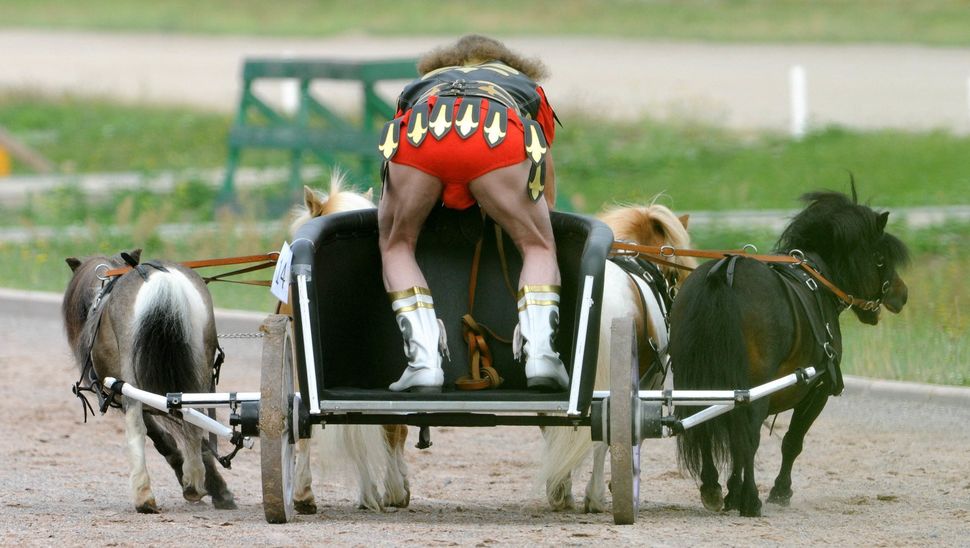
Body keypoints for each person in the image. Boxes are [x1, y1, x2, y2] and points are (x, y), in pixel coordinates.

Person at [376, 34, 568, 393]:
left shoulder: (421, 84)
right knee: (538, 245)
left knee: (396, 244)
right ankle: (541, 354)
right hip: (497, 136)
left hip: (421, 132)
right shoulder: (525, 87)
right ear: (507, 62)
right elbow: (546, 196)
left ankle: (424, 363)